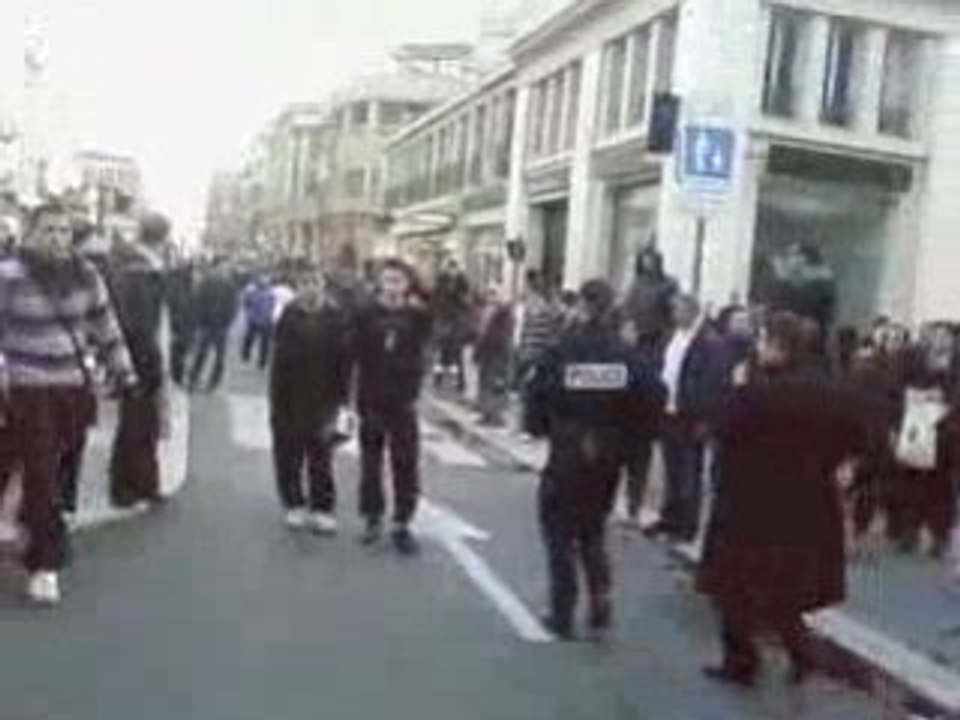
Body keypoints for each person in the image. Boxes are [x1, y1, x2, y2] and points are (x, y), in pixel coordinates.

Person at [697, 312, 871, 687]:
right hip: (806, 506)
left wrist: (737, 388)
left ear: (779, 347)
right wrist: (837, 465)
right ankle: (800, 653)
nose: (758, 348)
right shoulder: (832, 392)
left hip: (750, 504)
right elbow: (860, 437)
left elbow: (722, 427)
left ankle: (741, 660)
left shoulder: (757, 392)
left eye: (763, 341)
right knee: (784, 591)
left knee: (734, 589)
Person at [0, 201, 137, 605]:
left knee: (46, 469)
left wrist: (124, 372)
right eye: (48, 230)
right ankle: (45, 565)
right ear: (30, 233)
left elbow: (105, 325)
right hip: (24, 388)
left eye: (63, 231)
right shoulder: (10, 276)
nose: (57, 238)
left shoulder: (86, 274)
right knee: (40, 471)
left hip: (71, 389)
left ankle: (28, 527)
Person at [527, 279, 664, 639]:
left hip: (569, 447)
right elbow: (652, 397)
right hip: (608, 453)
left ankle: (563, 610)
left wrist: (541, 428)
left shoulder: (564, 349)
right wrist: (630, 443)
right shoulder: (625, 355)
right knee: (591, 530)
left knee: (557, 530)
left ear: (583, 306)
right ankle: (600, 601)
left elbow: (538, 393)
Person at [354, 259, 433, 554]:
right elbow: (353, 355)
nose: (392, 287)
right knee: (371, 463)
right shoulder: (365, 314)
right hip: (371, 398)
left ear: (406, 284)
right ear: (379, 283)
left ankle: (402, 522)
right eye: (387, 280)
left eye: (398, 281)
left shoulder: (418, 317)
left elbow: (427, 346)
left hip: (403, 401)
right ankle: (372, 516)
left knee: (405, 463)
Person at [270, 266, 352, 534]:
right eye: (304, 283)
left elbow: (345, 363)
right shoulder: (289, 317)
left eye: (314, 282)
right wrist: (275, 401)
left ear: (322, 286)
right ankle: (293, 503)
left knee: (321, 457)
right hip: (291, 397)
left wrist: (344, 401)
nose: (309, 288)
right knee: (289, 454)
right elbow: (278, 364)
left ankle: (322, 508)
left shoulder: (336, 318)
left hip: (325, 397)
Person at [107, 213, 169, 509]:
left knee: (143, 423)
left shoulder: (132, 267)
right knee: (136, 423)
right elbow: (140, 324)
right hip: (139, 356)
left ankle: (143, 483)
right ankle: (127, 487)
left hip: (136, 353)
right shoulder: (140, 271)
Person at [644, 293, 715, 544]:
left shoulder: (706, 340)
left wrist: (704, 417)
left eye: (678, 310)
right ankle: (669, 517)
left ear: (690, 311)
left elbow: (709, 381)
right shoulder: (673, 336)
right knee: (671, 467)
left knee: (689, 472)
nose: (674, 315)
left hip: (689, 414)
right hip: (668, 409)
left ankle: (687, 525)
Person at [891, 323, 959, 558]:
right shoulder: (913, 356)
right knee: (912, 480)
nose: (940, 341)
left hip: (946, 430)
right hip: (918, 423)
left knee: (941, 485)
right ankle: (909, 531)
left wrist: (947, 398)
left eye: (945, 337)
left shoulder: (956, 361)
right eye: (936, 335)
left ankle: (939, 535)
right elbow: (899, 385)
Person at [515, 272, 563, 434]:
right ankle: (524, 426)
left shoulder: (535, 306)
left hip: (532, 353)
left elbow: (526, 330)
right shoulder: (544, 307)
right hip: (535, 352)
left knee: (528, 391)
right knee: (527, 390)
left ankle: (526, 427)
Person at [188, 259, 238, 392]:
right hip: (218, 324)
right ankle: (212, 381)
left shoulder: (206, 281)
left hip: (210, 323)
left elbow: (197, 301)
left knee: (204, 353)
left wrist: (199, 320)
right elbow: (233, 305)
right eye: (225, 266)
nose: (226, 269)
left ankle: (194, 378)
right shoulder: (228, 283)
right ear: (218, 266)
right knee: (218, 355)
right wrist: (228, 321)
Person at [621, 246, 678, 355]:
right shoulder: (637, 283)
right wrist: (629, 324)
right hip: (640, 331)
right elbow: (629, 305)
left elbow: (673, 307)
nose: (649, 265)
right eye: (646, 262)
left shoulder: (669, 283)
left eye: (651, 262)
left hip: (661, 331)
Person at [473, 285, 514, 427]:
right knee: (489, 384)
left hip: (497, 355)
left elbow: (501, 337)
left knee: (496, 384)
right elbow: (482, 333)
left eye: (494, 295)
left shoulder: (504, 315)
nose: (491, 298)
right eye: (490, 295)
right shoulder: (492, 313)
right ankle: (488, 414)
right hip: (489, 354)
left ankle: (494, 416)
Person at [431, 259, 470, 393]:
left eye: (454, 269)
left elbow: (466, 302)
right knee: (441, 354)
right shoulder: (440, 283)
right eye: (450, 269)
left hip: (455, 322)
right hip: (444, 321)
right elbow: (435, 302)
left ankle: (460, 382)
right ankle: (438, 379)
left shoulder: (462, 283)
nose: (452, 272)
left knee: (456, 354)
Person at [239, 273, 276, 369]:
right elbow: (246, 303)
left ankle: (261, 361)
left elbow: (272, 306)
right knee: (251, 339)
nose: (264, 283)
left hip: (262, 320)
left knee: (262, 342)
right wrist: (249, 314)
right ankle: (247, 355)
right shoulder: (254, 292)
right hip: (256, 319)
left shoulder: (270, 294)